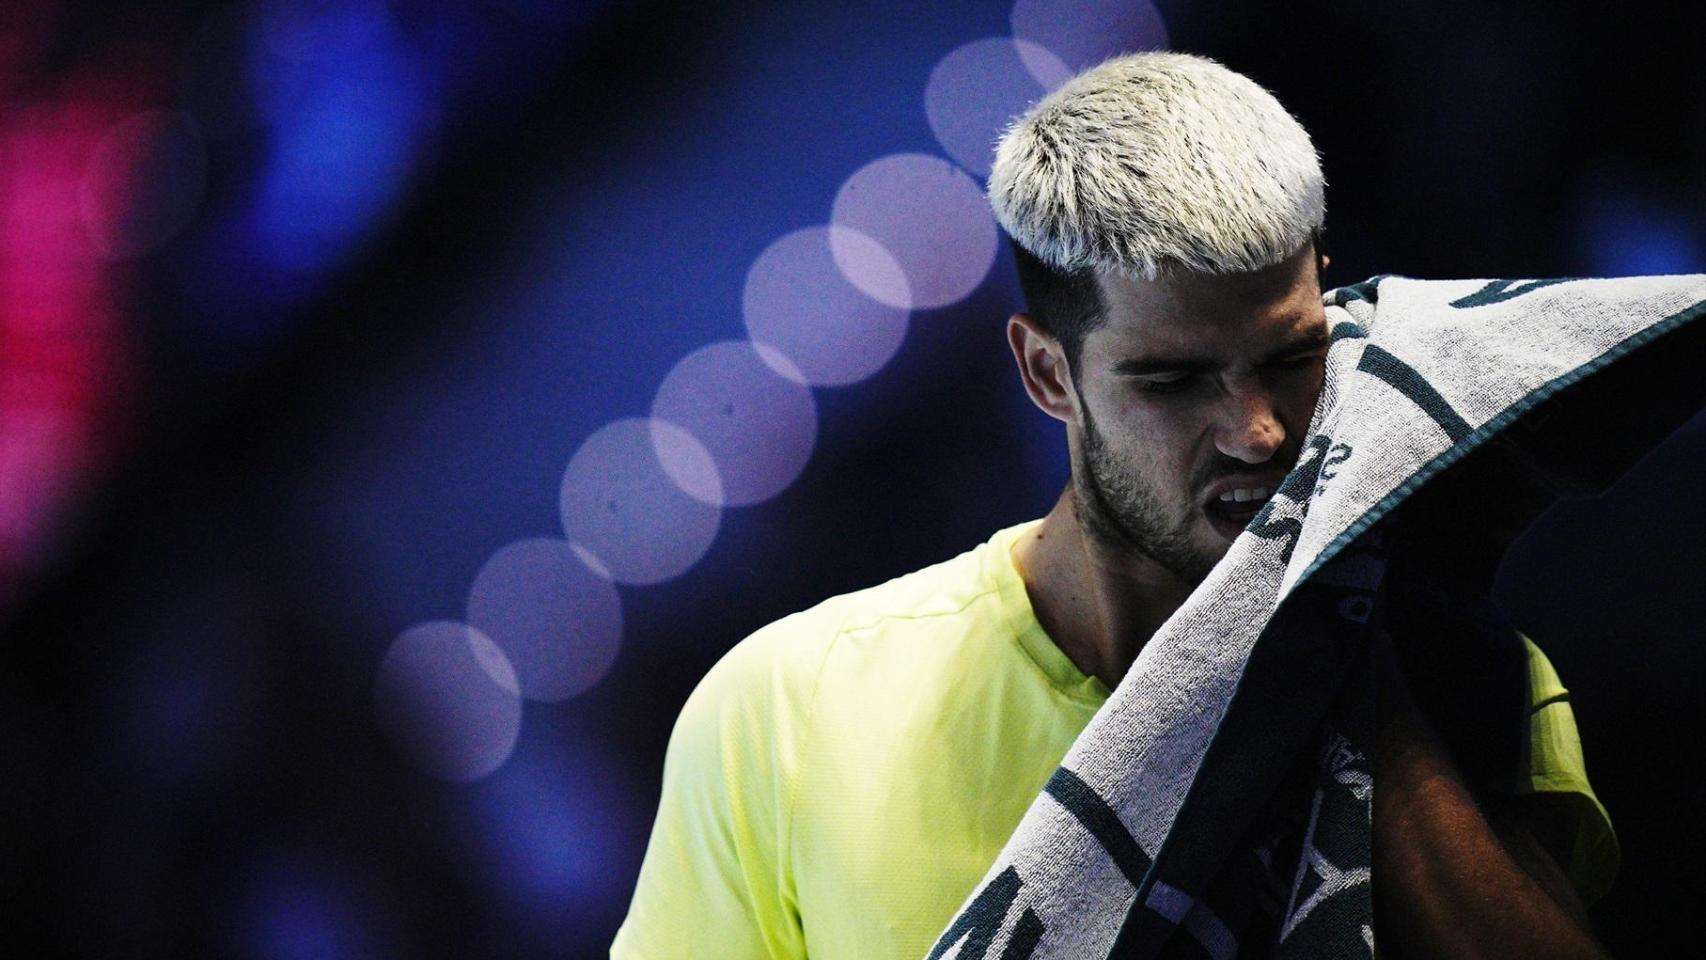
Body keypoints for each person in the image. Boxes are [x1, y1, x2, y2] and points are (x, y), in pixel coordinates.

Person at [611, 52, 1617, 959]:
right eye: (1174, 382)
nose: (1256, 431)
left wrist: (1354, 688)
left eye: (1289, 359)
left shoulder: (1459, 666)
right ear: (1046, 374)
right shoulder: (789, 712)